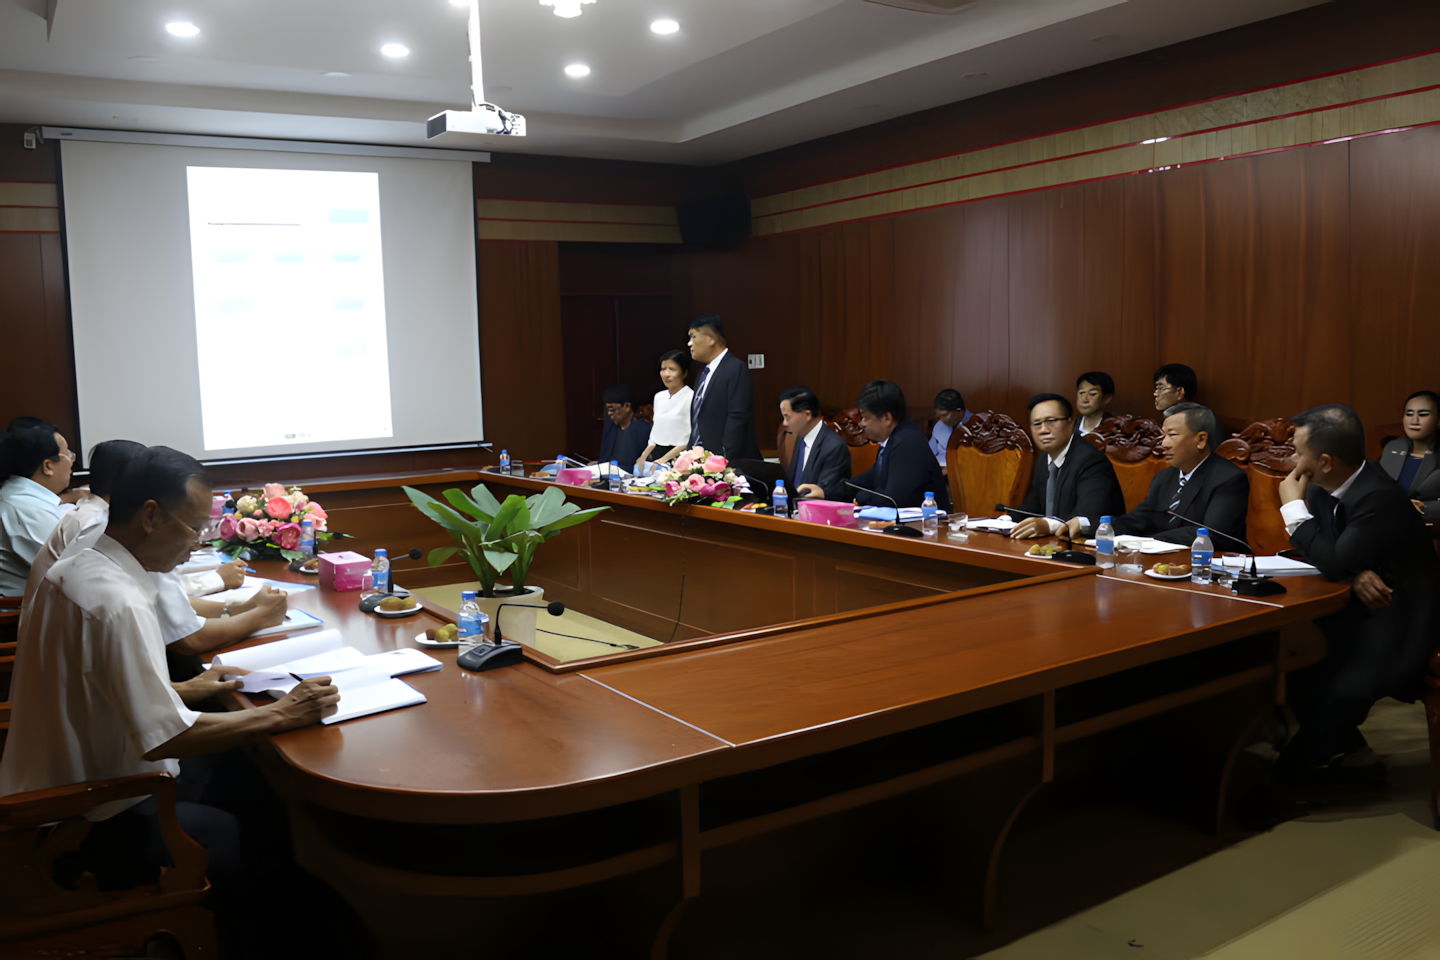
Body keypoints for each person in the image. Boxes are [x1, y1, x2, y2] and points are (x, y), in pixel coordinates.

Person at [0, 446, 339, 896]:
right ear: (150, 516)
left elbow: (87, 687)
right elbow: (165, 737)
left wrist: (183, 687)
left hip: (59, 772)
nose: (197, 541)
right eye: (194, 527)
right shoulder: (118, 602)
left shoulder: (78, 568)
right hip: (97, 808)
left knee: (242, 773)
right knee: (261, 815)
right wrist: (284, 714)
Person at [1276, 405, 1440, 782]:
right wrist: (1354, 570)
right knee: (1291, 662)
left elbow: (1332, 556)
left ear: (1326, 460)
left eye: (1298, 451)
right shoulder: (1321, 486)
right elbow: (1332, 552)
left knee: (1340, 686)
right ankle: (1353, 754)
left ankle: (1290, 775)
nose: (1292, 460)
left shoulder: (1377, 495)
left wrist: (1292, 510)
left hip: (1402, 620)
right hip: (1356, 608)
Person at [1073, 402, 1250, 547]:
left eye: (1172, 435)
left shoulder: (1228, 479)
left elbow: (1212, 534)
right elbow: (1135, 521)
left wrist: (1150, 541)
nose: (1163, 444)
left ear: (1201, 439)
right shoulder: (1165, 478)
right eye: (1163, 435)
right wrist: (1085, 525)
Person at [1011, 394, 1124, 539]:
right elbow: (1031, 508)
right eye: (1037, 423)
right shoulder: (1043, 460)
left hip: (1088, 547)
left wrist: (1049, 525)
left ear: (1070, 422)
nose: (1043, 430)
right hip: (1052, 544)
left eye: (1051, 421)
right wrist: (1004, 522)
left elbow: (1086, 517)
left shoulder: (1092, 461)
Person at [848, 380, 950, 511]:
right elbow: (868, 479)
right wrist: (827, 491)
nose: (862, 424)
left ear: (887, 418)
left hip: (930, 527)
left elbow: (893, 499)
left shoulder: (908, 441)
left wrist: (861, 497)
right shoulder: (893, 439)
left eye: (865, 418)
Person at [0, 425, 75, 595]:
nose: (72, 461)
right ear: (47, 466)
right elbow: (73, 570)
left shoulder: (22, 498)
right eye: (68, 455)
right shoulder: (24, 509)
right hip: (26, 613)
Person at [687, 314, 761, 460]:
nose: (689, 343)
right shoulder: (703, 373)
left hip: (726, 463)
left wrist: (723, 459)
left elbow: (737, 418)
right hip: (702, 461)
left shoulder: (735, 368)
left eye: (693, 337)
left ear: (711, 339)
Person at [780, 386, 851, 501]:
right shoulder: (800, 436)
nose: (784, 423)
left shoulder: (834, 447)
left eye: (787, 417)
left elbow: (826, 491)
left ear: (807, 415)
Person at [1377, 389, 1440, 517]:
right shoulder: (1392, 447)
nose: (1414, 421)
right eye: (1409, 413)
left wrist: (1426, 508)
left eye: (1423, 414)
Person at [639, 349, 693, 467]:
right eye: (663, 369)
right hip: (656, 454)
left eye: (672, 369)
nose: (666, 374)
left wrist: (663, 460)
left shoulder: (691, 396)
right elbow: (656, 431)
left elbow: (687, 438)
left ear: (684, 373)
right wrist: (643, 456)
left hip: (680, 457)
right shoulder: (659, 397)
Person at [595, 384, 651, 472]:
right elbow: (604, 457)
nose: (609, 413)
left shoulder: (642, 428)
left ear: (627, 407)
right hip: (609, 475)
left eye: (612, 409)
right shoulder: (610, 424)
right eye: (607, 409)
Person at [929, 389, 972, 469]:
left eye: (944, 415)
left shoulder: (975, 425)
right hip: (937, 472)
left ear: (958, 412)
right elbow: (929, 453)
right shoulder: (940, 425)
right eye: (938, 415)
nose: (940, 419)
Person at [1075, 371, 1116, 436]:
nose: (1084, 399)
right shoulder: (1068, 427)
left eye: (1092, 394)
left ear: (1106, 398)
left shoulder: (1115, 428)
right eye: (1082, 393)